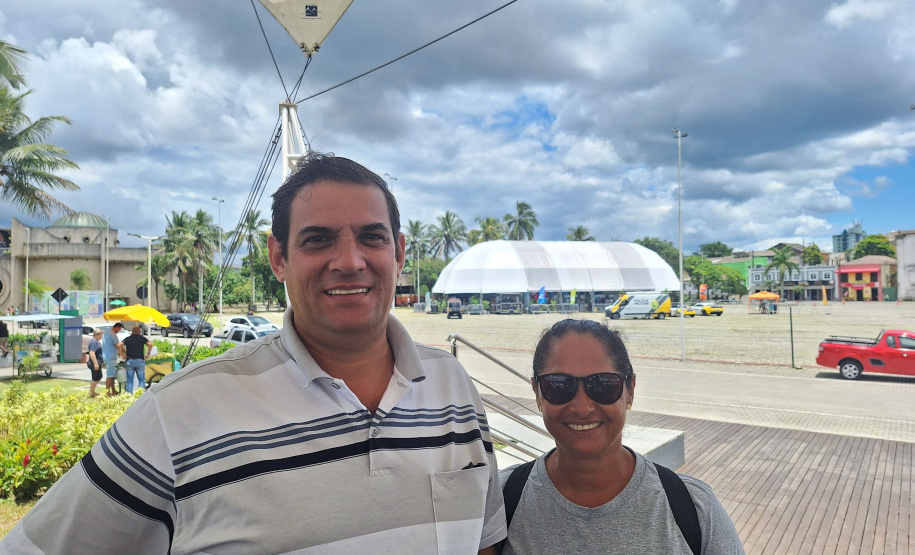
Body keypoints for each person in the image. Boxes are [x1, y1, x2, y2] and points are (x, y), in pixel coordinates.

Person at [2, 152, 506, 554]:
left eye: (371, 238)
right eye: (318, 239)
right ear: (278, 258)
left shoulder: (451, 382)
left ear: (398, 253)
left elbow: (483, 541)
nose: (350, 261)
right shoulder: (178, 414)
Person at [499, 319, 743, 554]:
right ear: (538, 393)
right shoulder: (500, 500)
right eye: (559, 386)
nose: (582, 407)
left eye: (604, 385)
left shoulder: (694, 508)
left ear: (630, 391)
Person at [117, 325, 153, 394]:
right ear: (139, 332)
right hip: (140, 361)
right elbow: (150, 344)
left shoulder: (128, 339)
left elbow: (119, 345)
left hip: (130, 361)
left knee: (130, 380)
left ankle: (129, 395)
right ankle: (141, 394)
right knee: (141, 379)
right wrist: (148, 353)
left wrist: (121, 354)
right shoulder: (142, 338)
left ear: (132, 332)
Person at [101, 322, 123, 396]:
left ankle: (113, 390)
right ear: (117, 327)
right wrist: (123, 353)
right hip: (111, 357)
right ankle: (107, 392)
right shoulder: (113, 334)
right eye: (119, 329)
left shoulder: (106, 333)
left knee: (112, 375)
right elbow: (118, 345)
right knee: (110, 375)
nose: (119, 331)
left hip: (106, 355)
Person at [86, 329, 104, 398]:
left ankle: (92, 391)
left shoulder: (95, 341)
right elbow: (92, 353)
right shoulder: (94, 343)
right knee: (96, 377)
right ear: (97, 334)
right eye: (101, 335)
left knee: (98, 377)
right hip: (94, 363)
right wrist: (96, 363)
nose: (101, 336)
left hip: (96, 362)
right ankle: (92, 392)